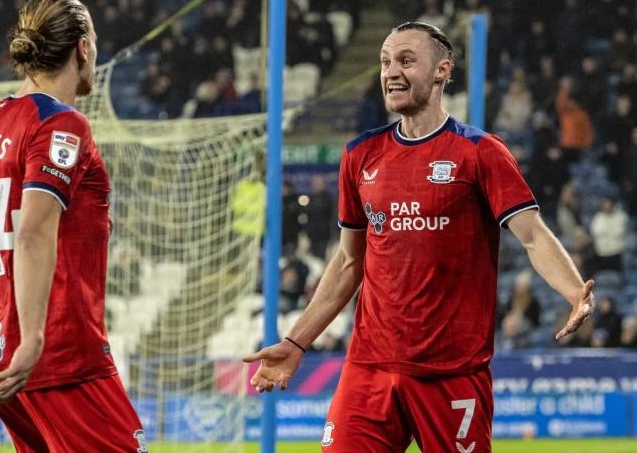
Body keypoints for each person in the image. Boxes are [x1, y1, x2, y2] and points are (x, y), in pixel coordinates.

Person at [243, 22, 594, 453]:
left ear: (442, 70)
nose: (392, 71)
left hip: (451, 374)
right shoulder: (360, 155)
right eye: (385, 62)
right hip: (368, 369)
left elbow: (534, 236)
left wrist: (575, 290)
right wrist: (297, 341)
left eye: (407, 60)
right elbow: (351, 262)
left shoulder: (479, 152)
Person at [0, 0, 147, 452]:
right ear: (82, 48)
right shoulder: (61, 124)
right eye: (93, 39)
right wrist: (34, 336)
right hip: (58, 351)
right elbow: (33, 230)